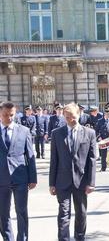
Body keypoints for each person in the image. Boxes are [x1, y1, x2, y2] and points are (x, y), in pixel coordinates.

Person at [49, 103, 97, 241]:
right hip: (62, 181)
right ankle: (63, 239)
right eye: (68, 117)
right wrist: (52, 184)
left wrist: (91, 182)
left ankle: (79, 237)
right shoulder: (57, 134)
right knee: (63, 213)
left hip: (81, 181)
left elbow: (92, 160)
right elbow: (54, 161)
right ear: (64, 116)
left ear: (79, 114)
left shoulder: (89, 133)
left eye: (74, 117)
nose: (71, 120)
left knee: (81, 213)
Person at [0, 101, 37, 241]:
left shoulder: (24, 131)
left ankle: (22, 238)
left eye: (11, 115)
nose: (8, 118)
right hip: (1, 179)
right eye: (5, 115)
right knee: (3, 213)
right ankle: (7, 238)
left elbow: (30, 156)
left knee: (21, 211)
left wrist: (33, 178)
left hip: (20, 178)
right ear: (0, 114)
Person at [95, 102, 109, 171]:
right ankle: (103, 167)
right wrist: (99, 137)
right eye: (107, 114)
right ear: (104, 114)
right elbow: (96, 130)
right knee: (103, 154)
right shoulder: (99, 121)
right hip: (103, 139)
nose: (108, 115)